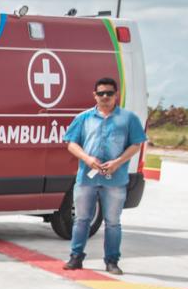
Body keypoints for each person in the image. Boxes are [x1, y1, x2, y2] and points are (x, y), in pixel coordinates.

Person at [63, 76, 147, 274]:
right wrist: (87, 159)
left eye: (109, 93)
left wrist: (117, 163)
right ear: (95, 95)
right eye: (101, 93)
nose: (105, 96)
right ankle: (76, 257)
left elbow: (136, 144)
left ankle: (111, 261)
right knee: (82, 219)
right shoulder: (83, 118)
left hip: (115, 180)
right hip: (86, 178)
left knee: (113, 222)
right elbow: (70, 142)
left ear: (116, 95)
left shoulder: (128, 119)